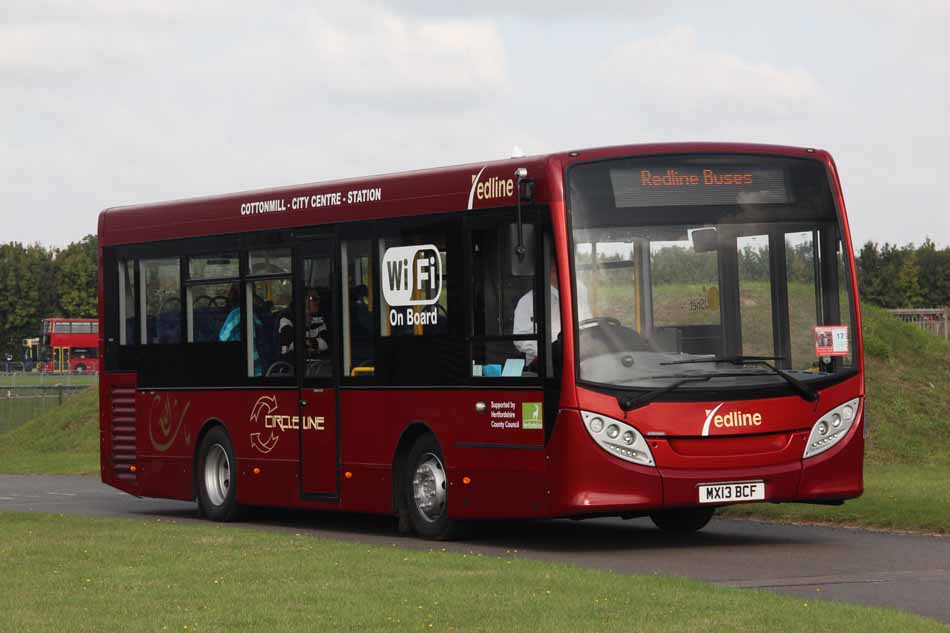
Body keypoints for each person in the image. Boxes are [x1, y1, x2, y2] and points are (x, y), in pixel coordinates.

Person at [513, 259, 591, 365]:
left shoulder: (580, 293)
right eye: (554, 269)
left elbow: (588, 325)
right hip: (544, 364)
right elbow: (520, 339)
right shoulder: (528, 301)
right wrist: (550, 351)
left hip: (581, 359)